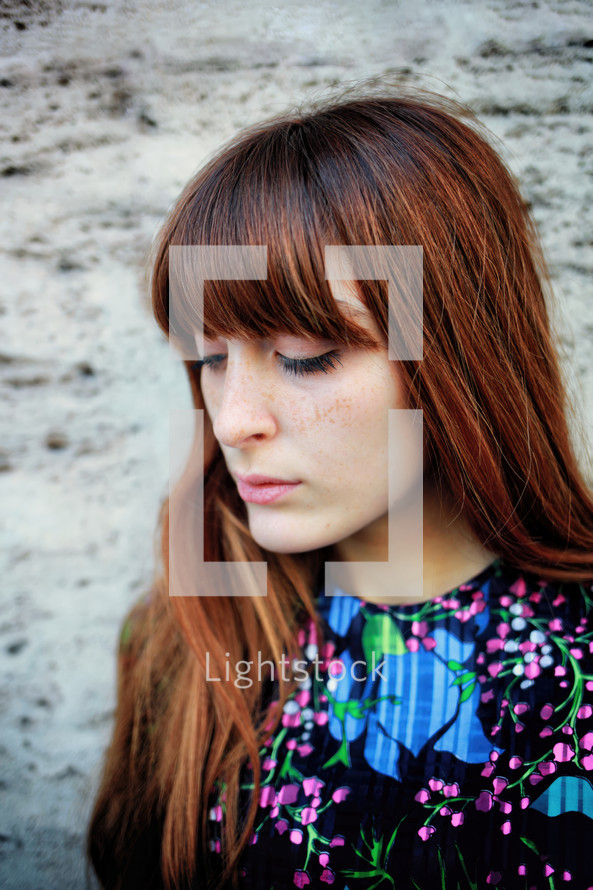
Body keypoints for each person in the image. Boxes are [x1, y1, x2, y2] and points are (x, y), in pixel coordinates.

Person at [87, 88, 593, 890]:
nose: (232, 420)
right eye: (210, 358)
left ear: (461, 355)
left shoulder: (577, 670)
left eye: (305, 352)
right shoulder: (184, 642)